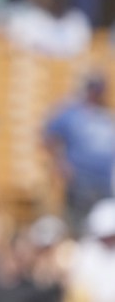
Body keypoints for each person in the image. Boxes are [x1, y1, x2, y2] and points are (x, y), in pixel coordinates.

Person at [43, 72, 115, 235]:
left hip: (104, 182)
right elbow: (49, 137)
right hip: (79, 180)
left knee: (106, 228)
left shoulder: (106, 114)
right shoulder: (71, 113)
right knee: (78, 229)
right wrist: (60, 163)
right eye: (94, 87)